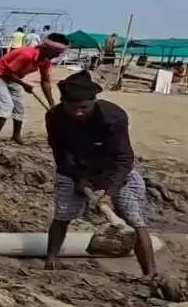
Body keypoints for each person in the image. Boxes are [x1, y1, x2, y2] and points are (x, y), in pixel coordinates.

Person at [45, 70, 155, 276]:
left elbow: (124, 159)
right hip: (75, 168)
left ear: (94, 102)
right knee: (62, 214)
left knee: (135, 220)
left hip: (113, 169)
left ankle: (150, 274)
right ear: (63, 103)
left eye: (84, 108)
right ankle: (51, 260)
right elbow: (61, 155)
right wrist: (78, 179)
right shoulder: (55, 117)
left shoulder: (113, 116)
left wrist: (109, 192)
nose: (78, 113)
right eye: (72, 108)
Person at [0, 33, 68, 144]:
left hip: (14, 78)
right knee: (6, 105)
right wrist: (24, 85)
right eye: (56, 53)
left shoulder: (45, 61)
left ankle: (16, 136)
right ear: (48, 49)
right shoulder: (27, 54)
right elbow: (8, 72)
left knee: (20, 107)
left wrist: (51, 104)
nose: (57, 55)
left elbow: (45, 81)